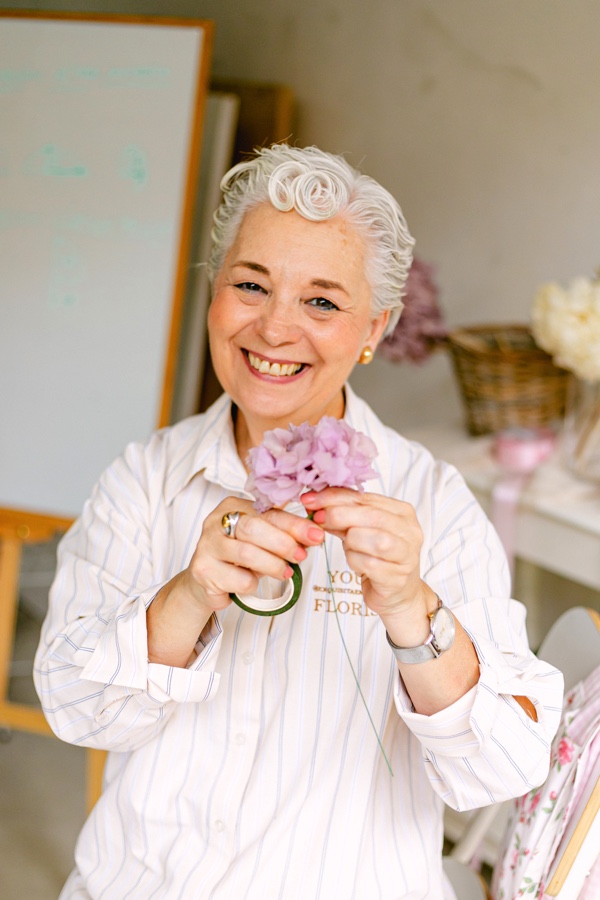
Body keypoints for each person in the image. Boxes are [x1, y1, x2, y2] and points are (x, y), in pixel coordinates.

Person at [35, 144, 563, 900]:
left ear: (375, 327)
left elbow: (501, 772)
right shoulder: (145, 478)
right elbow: (74, 708)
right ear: (213, 294)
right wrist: (188, 594)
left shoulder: (435, 503)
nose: (275, 329)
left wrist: (413, 612)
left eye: (321, 301)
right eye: (251, 285)